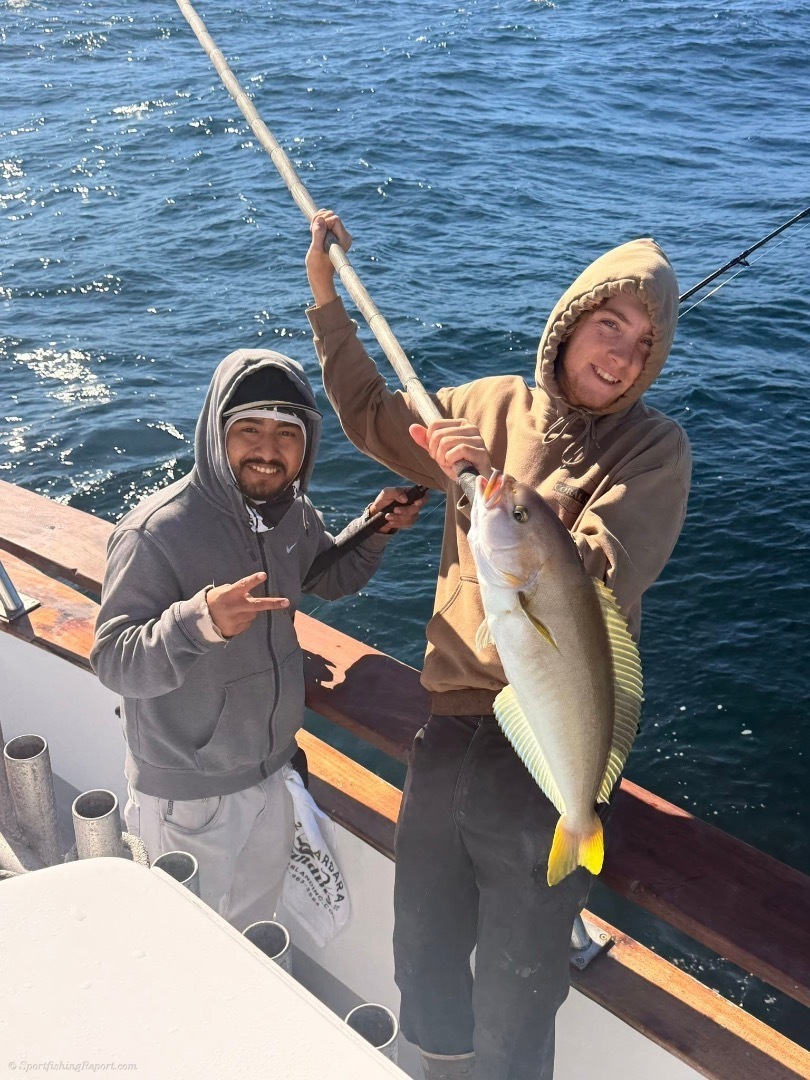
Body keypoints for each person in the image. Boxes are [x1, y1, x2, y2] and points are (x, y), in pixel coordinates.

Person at [305, 211, 690, 1080]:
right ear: (570, 321)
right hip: (448, 726)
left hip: (551, 747)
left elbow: (600, 570)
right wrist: (326, 298)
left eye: (644, 343)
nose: (623, 355)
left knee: (521, 984)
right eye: (610, 324)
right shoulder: (486, 405)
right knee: (422, 950)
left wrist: (497, 487)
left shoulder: (656, 449)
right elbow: (370, 416)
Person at [91, 348, 423, 931]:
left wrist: (373, 528)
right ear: (217, 432)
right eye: (249, 429)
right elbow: (115, 660)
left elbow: (323, 576)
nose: (268, 450)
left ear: (306, 445)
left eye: (286, 434)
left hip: (271, 770)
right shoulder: (155, 533)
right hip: (186, 795)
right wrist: (200, 623)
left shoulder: (291, 514)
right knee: (181, 939)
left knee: (252, 928)